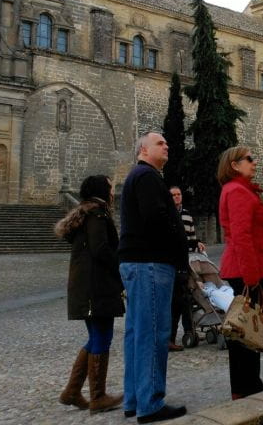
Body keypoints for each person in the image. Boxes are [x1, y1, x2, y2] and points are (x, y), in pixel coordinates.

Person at [118, 132, 187, 423]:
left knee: (137, 333)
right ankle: (150, 403)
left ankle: (134, 398)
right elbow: (157, 219)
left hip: (137, 262)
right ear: (143, 150)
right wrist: (177, 248)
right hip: (151, 262)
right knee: (154, 333)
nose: (167, 145)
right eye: (160, 143)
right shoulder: (147, 177)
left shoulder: (139, 176)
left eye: (166, 142)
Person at [55, 175, 125, 414]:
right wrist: (121, 269)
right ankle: (98, 396)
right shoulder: (97, 215)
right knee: (102, 338)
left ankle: (72, 392)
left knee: (95, 337)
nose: (113, 191)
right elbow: (101, 250)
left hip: (86, 289)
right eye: (110, 187)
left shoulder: (86, 214)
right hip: (96, 289)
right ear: (101, 191)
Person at [217, 145, 263, 399]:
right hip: (245, 269)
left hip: (247, 267)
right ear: (234, 165)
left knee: (247, 327)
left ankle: (247, 383)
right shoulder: (237, 191)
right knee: (244, 328)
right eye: (249, 159)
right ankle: (246, 386)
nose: (255, 162)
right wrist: (252, 276)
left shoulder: (241, 190)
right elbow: (241, 236)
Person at [168, 185, 204, 352]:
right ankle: (174, 336)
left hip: (188, 262)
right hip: (175, 264)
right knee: (178, 300)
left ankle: (189, 331)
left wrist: (197, 244)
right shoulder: (168, 215)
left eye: (178, 194)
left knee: (187, 298)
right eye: (173, 195)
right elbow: (176, 241)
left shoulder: (187, 215)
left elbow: (191, 237)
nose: (177, 197)